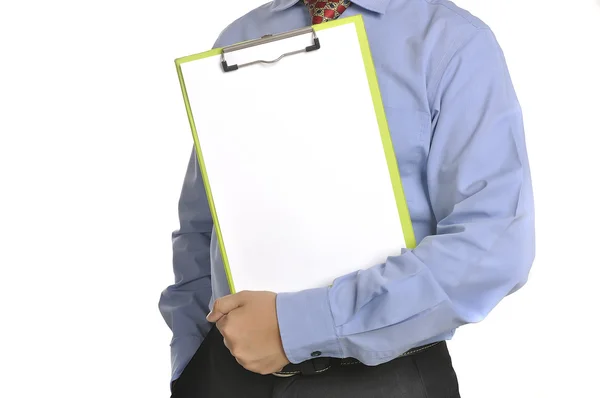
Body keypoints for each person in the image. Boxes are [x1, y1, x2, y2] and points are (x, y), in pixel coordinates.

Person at [159, 0, 536, 397]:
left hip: (381, 378)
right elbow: (202, 223)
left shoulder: (453, 42)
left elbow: (494, 243)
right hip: (228, 374)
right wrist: (191, 362)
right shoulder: (238, 38)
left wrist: (296, 326)